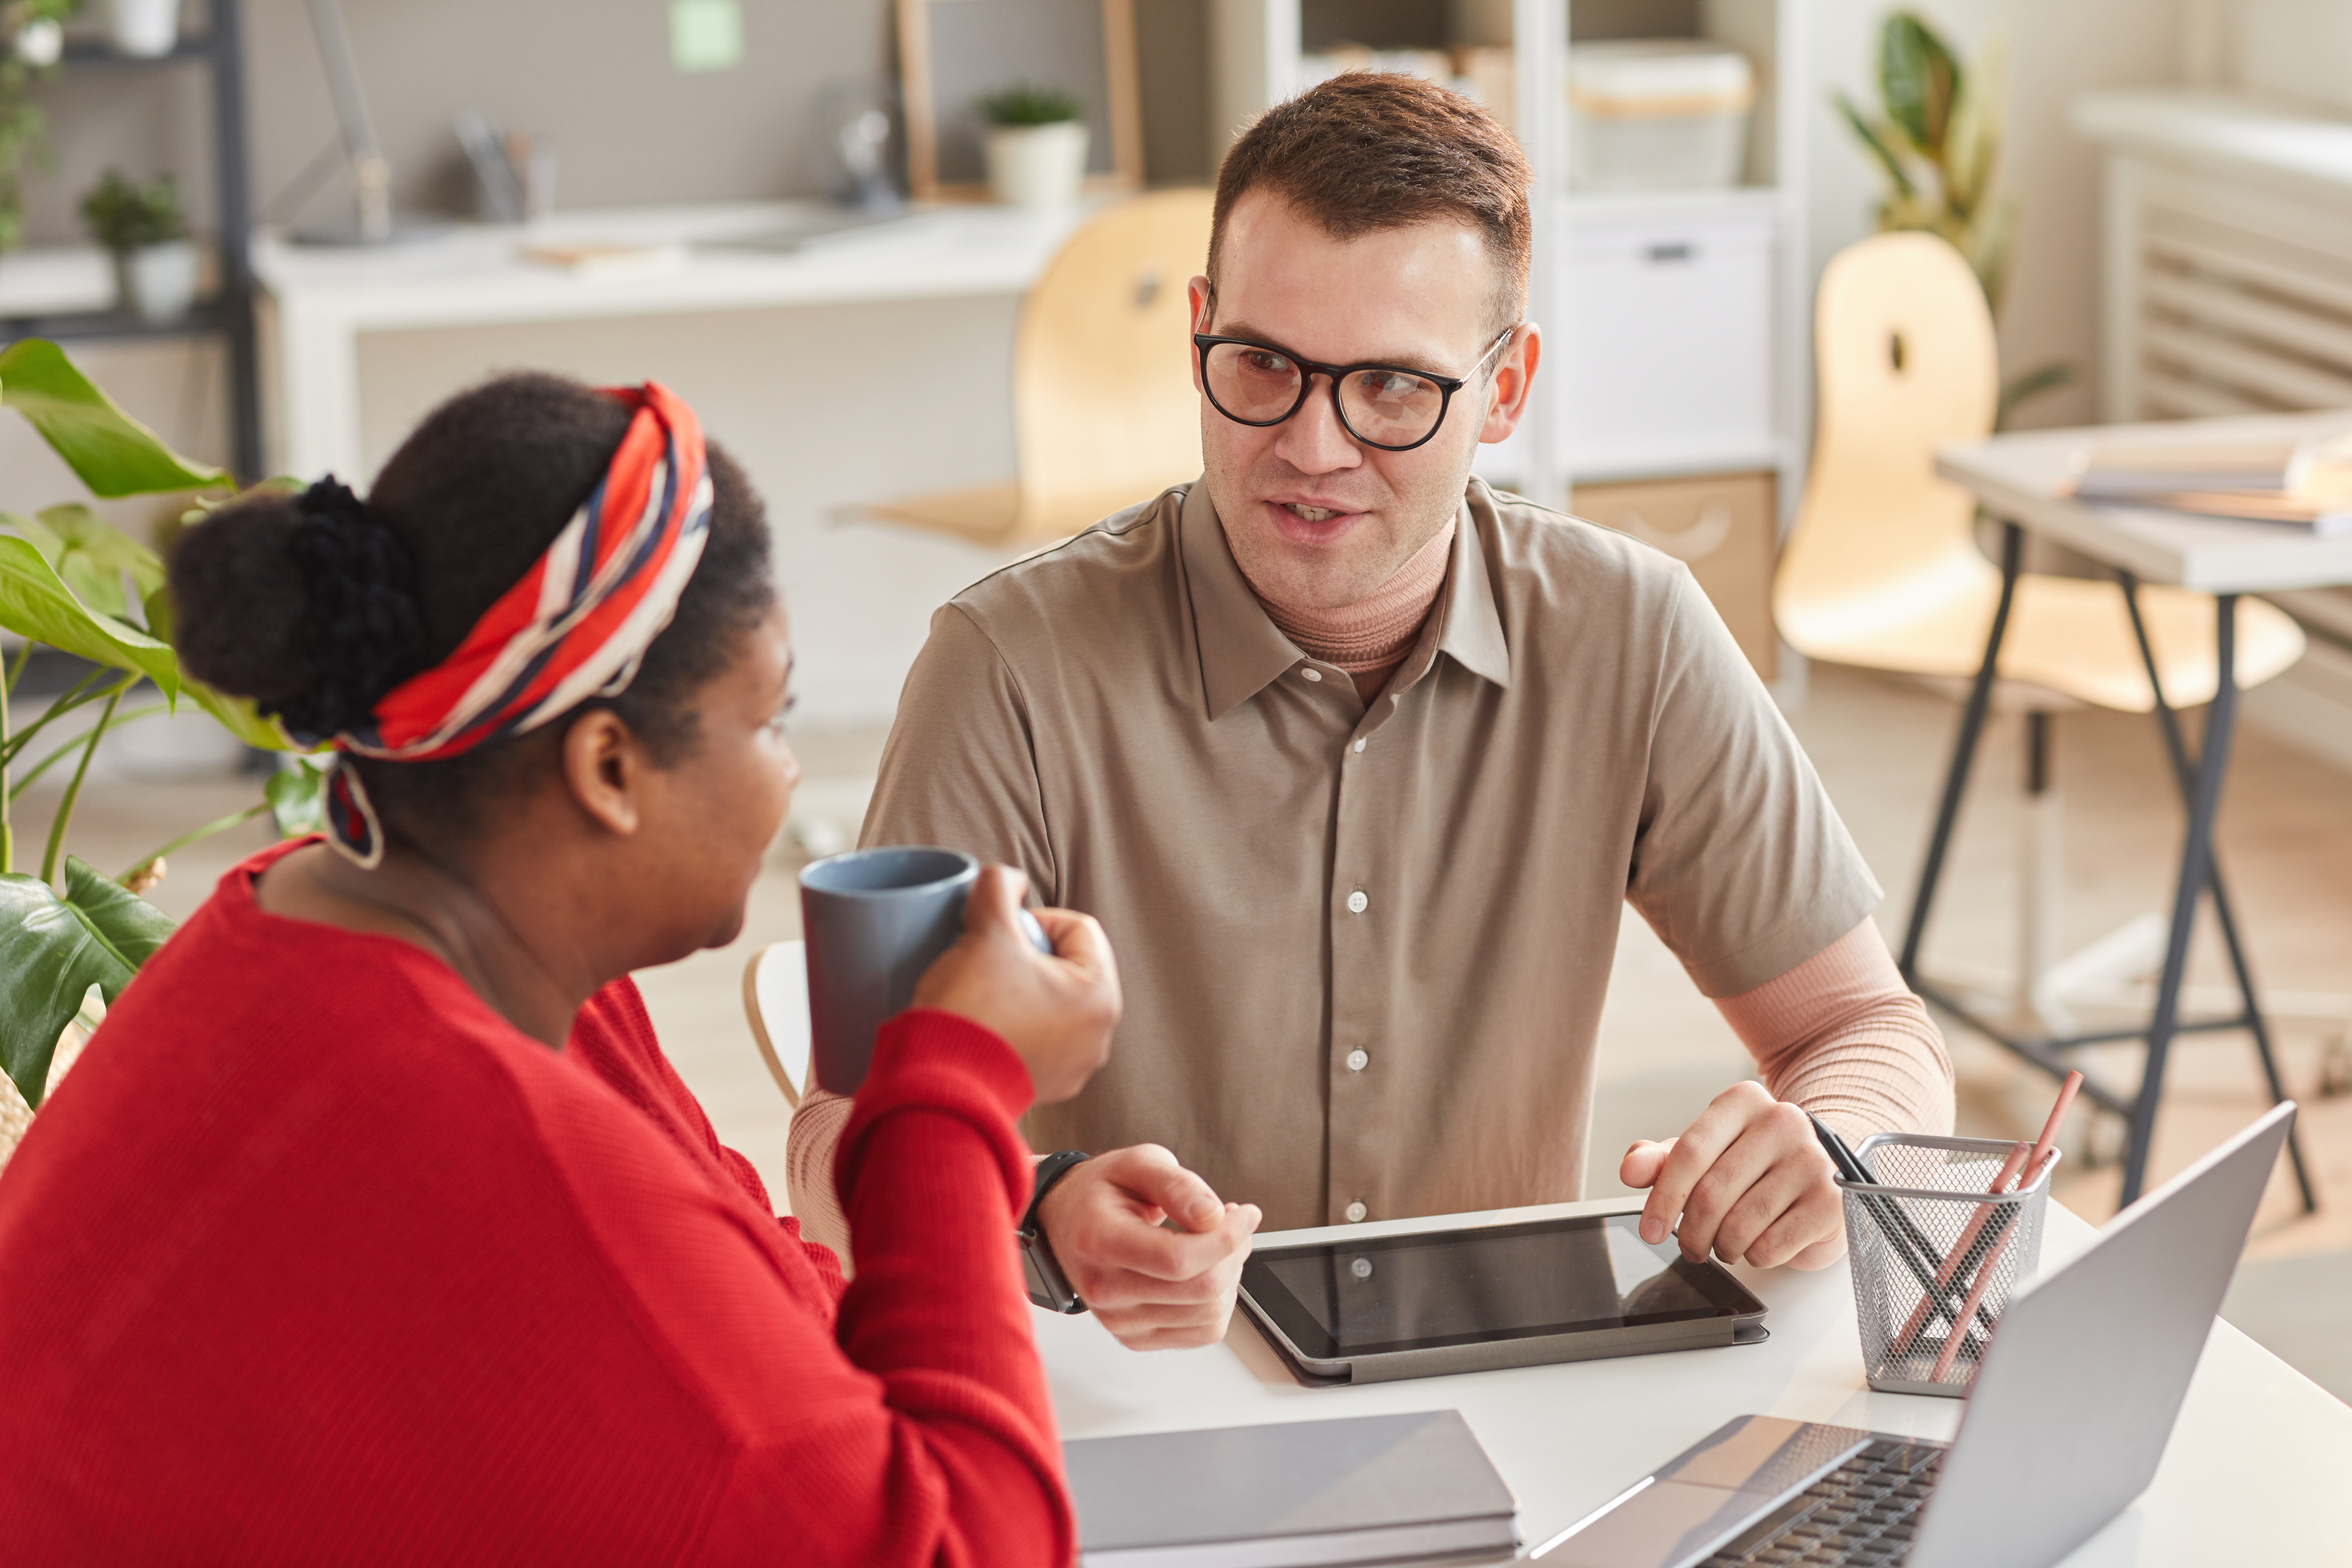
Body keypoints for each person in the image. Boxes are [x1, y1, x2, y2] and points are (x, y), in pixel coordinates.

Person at [787, 74, 1953, 1351]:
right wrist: (1037, 1212)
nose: (1314, 445)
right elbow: (838, 1143)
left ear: (1505, 390)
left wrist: (1833, 1144)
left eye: (1394, 386)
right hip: (1138, 1386)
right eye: (1264, 364)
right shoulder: (1007, 666)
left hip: (1498, 1378)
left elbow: (1866, 1028)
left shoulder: (1635, 633)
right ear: (1197, 335)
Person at [0, 373, 1124, 1565]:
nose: (791, 773)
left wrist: (1030, 1204)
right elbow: (977, 1548)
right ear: (609, 769)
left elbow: (758, 1314)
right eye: (770, 720)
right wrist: (955, 1089)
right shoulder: (480, 1131)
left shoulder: (335, 931)